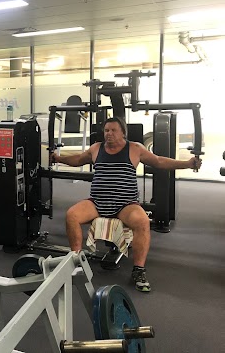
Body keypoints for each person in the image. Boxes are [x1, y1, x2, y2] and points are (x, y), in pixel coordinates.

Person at [50, 116, 202, 292]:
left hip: (125, 205)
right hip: (98, 202)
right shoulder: (96, 148)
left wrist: (187, 164)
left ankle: (139, 270)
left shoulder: (135, 148)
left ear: (123, 132)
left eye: (113, 130)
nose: (109, 134)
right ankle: (75, 262)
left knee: (142, 222)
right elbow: (78, 160)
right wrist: (58, 158)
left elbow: (159, 161)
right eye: (106, 130)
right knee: (72, 215)